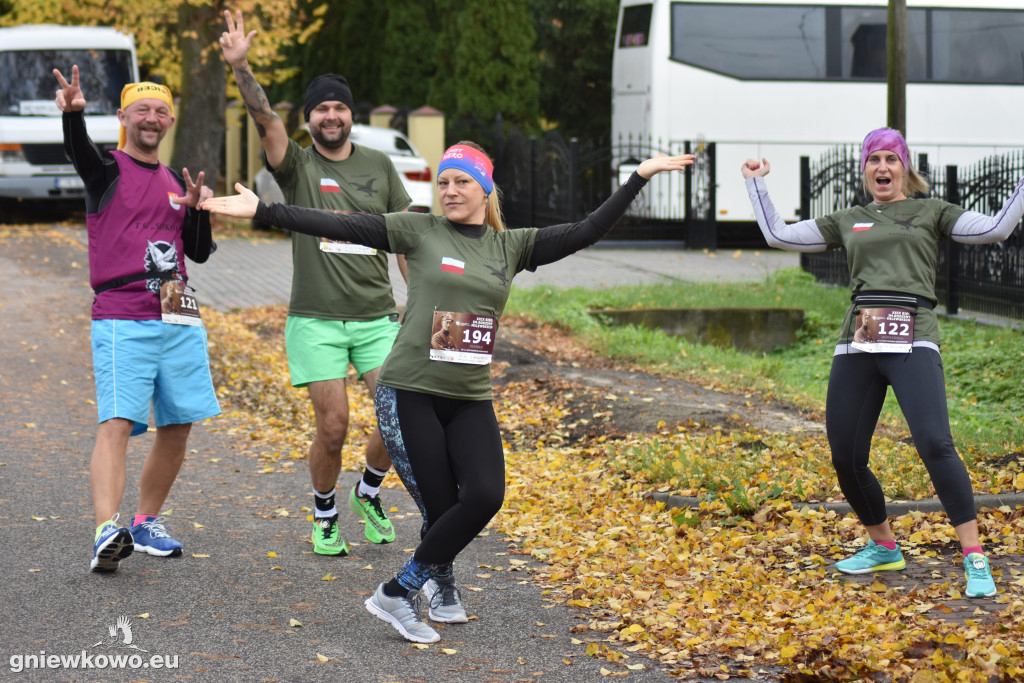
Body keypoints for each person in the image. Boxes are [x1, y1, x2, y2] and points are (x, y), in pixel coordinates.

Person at [202, 141, 694, 642]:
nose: (450, 191)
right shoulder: (419, 229)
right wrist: (265, 211)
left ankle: (398, 590)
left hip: (469, 396)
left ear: (485, 188)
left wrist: (638, 177)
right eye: (443, 182)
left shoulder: (512, 246)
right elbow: (342, 224)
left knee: (485, 494)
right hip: (410, 389)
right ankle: (429, 588)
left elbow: (586, 230)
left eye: (461, 181)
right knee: (440, 509)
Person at [741, 127, 1024, 598]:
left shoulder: (932, 212)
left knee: (935, 443)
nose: (882, 167)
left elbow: (996, 228)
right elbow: (778, 235)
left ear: (905, 167)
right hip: (859, 339)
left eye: (891, 158)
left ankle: (974, 556)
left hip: (915, 335)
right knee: (846, 455)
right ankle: (884, 546)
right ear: (865, 169)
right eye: (874, 159)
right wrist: (756, 182)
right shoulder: (849, 219)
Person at [220, 10, 412, 556]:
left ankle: (367, 492)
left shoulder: (380, 165)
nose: (331, 115)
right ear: (309, 119)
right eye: (321, 108)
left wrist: (422, 297)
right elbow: (265, 121)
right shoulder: (298, 166)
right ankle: (325, 514)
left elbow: (404, 237)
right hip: (316, 319)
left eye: (339, 107)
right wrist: (241, 68)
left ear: (351, 115)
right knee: (333, 427)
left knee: (402, 419)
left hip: (377, 317)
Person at [54, 66, 220, 572]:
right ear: (123, 117)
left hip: (178, 317)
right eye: (141, 109)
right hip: (122, 316)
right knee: (118, 422)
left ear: (170, 121)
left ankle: (145, 523)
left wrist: (198, 212)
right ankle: (107, 530)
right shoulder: (107, 169)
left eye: (160, 111)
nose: (151, 118)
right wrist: (74, 116)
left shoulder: (175, 182)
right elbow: (79, 152)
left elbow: (198, 252)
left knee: (178, 425)